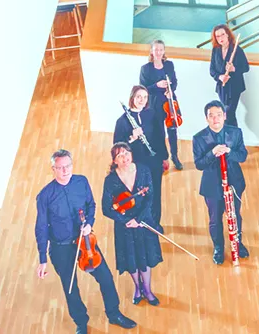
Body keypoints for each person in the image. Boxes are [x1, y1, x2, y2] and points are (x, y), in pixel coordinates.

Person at [35, 150, 137, 333]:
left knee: (105, 277)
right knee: (70, 287)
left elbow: (91, 205)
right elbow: (41, 228)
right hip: (61, 248)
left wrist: (89, 224)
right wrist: (42, 259)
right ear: (53, 169)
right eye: (60, 167)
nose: (65, 171)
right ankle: (81, 322)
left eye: (68, 166)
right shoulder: (45, 196)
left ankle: (114, 313)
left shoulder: (81, 182)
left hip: (86, 242)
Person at [101, 143, 163, 306]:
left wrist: (139, 219)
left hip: (143, 221)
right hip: (125, 226)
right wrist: (126, 221)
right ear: (114, 160)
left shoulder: (143, 170)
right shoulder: (111, 180)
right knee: (132, 261)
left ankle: (148, 290)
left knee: (145, 259)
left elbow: (150, 197)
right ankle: (137, 287)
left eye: (127, 153)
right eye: (120, 156)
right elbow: (106, 208)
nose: (125, 158)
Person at [192, 101, 250, 265]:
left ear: (224, 116)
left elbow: (243, 156)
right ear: (206, 118)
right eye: (211, 115)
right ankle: (218, 247)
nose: (215, 118)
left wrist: (229, 152)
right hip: (212, 184)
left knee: (235, 215)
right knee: (215, 219)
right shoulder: (198, 138)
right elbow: (199, 164)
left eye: (219, 114)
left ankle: (237, 243)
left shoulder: (236, 132)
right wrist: (212, 153)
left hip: (234, 181)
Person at [113, 86, 169, 231]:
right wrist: (132, 137)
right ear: (132, 97)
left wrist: (164, 157)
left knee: (155, 193)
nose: (142, 100)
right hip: (135, 164)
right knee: (139, 194)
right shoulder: (122, 121)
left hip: (153, 161)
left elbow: (160, 137)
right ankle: (141, 222)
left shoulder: (152, 114)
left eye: (145, 97)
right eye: (138, 97)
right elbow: (117, 147)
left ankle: (155, 223)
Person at [139, 39, 182, 170]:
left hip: (170, 103)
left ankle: (175, 156)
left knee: (173, 131)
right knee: (159, 133)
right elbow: (143, 88)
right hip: (155, 104)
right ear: (151, 51)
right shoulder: (145, 69)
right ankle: (163, 157)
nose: (158, 52)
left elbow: (174, 82)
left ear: (164, 51)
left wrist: (170, 89)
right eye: (155, 49)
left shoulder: (169, 65)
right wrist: (156, 85)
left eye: (160, 49)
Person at [209, 24, 249, 127]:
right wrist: (220, 77)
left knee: (228, 113)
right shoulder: (215, 50)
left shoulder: (237, 50)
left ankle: (233, 139)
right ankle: (233, 138)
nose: (220, 38)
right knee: (227, 114)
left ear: (228, 35)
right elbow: (212, 70)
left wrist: (233, 69)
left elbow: (246, 67)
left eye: (222, 34)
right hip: (222, 87)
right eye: (217, 36)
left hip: (234, 87)